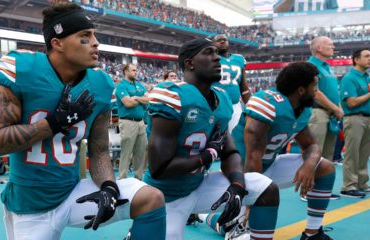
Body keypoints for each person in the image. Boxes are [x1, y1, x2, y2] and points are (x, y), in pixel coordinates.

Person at [0, 4, 166, 239]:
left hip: (73, 192)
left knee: (150, 198)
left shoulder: (100, 84)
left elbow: (100, 149)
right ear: (58, 43)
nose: (96, 42)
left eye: (94, 34)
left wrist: (108, 186)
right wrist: (54, 123)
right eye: (85, 36)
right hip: (30, 205)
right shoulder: (22, 69)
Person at [144, 38, 280, 240]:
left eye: (217, 53)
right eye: (208, 53)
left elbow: (230, 152)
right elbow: (160, 167)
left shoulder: (222, 98)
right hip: (167, 195)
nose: (217, 58)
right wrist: (208, 156)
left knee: (265, 188)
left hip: (198, 183)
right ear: (190, 63)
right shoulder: (172, 96)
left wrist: (237, 185)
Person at [205, 62, 336, 240]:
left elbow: (311, 145)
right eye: (315, 85)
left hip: (268, 165)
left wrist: (309, 165)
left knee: (325, 167)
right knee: (234, 229)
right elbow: (253, 155)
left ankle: (312, 233)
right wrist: (254, 195)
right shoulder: (267, 103)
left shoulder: (302, 109)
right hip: (240, 174)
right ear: (300, 90)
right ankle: (203, 216)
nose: (317, 90)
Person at [340, 48, 370, 198]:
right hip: (355, 118)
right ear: (356, 60)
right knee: (352, 154)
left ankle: (362, 183)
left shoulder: (367, 78)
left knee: (364, 154)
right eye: (366, 56)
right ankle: (348, 186)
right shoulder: (349, 78)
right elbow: (351, 102)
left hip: (369, 118)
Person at [308, 36, 342, 200]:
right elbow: (315, 93)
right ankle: (308, 189)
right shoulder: (311, 66)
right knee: (315, 153)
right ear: (318, 48)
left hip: (330, 114)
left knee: (326, 155)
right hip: (317, 113)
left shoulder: (327, 68)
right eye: (329, 44)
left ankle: (321, 189)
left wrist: (337, 108)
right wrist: (335, 108)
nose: (333, 47)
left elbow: (332, 91)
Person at [115, 63, 148, 180]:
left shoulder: (140, 85)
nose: (136, 72)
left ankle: (138, 179)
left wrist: (136, 98)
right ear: (126, 72)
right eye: (133, 70)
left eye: (136, 70)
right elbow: (128, 103)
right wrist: (141, 99)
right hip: (127, 122)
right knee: (126, 153)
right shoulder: (121, 86)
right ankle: (122, 179)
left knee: (140, 153)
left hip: (140, 122)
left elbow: (148, 100)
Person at [213, 34, 251, 133]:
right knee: (216, 137)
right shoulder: (211, 59)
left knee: (236, 136)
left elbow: (244, 87)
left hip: (235, 105)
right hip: (217, 105)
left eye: (224, 39)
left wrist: (251, 106)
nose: (222, 41)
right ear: (213, 44)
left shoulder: (239, 59)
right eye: (219, 40)